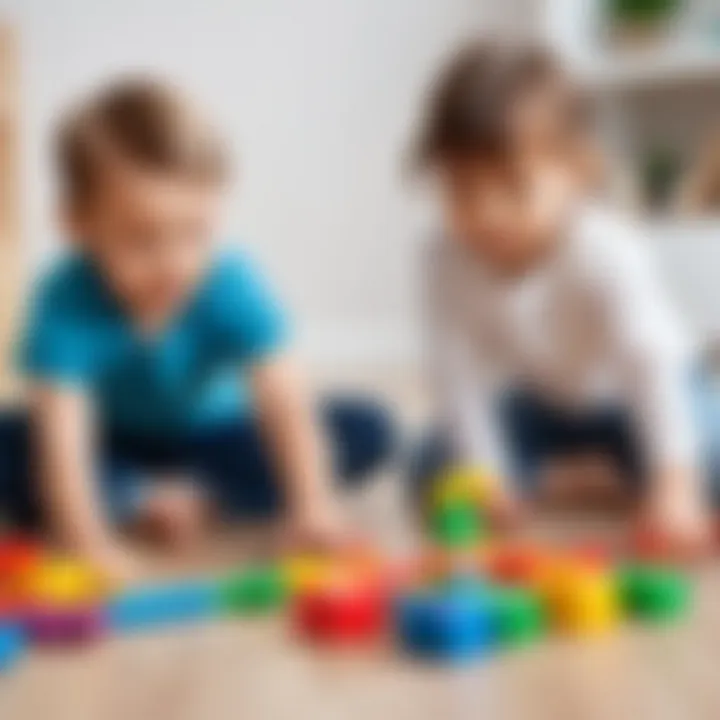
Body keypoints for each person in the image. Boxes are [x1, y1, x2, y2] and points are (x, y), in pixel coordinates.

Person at [0, 78, 395, 581]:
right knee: (18, 446)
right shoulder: (64, 297)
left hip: (216, 438)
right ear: (77, 223)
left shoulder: (230, 281)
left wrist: (311, 504)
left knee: (365, 427)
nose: (174, 263)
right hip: (110, 444)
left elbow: (282, 395)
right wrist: (84, 539)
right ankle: (136, 496)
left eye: (195, 233)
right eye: (143, 240)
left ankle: (196, 496)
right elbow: (61, 423)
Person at [409, 39, 715, 554]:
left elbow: (651, 364)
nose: (487, 213)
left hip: (641, 393)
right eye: (461, 189)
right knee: (431, 469)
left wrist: (675, 484)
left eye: (513, 186)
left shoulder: (604, 247)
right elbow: (455, 375)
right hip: (546, 404)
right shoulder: (444, 259)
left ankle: (628, 473)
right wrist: (488, 479)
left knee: (706, 460)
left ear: (576, 172)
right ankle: (582, 476)